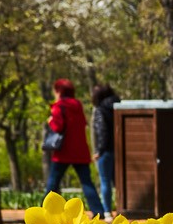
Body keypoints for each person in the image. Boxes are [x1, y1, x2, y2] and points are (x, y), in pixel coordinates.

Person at [43, 78, 105, 214]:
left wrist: (51, 121)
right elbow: (82, 123)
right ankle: (98, 211)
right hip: (80, 151)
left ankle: (45, 211)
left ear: (59, 91)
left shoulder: (59, 106)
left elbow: (58, 127)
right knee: (87, 183)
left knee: (53, 183)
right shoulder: (78, 105)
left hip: (63, 152)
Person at [91, 83, 119, 211]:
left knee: (105, 181)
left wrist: (99, 151)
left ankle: (107, 210)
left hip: (106, 151)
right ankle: (121, 207)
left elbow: (102, 132)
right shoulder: (118, 107)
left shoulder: (101, 110)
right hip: (119, 150)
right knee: (118, 182)